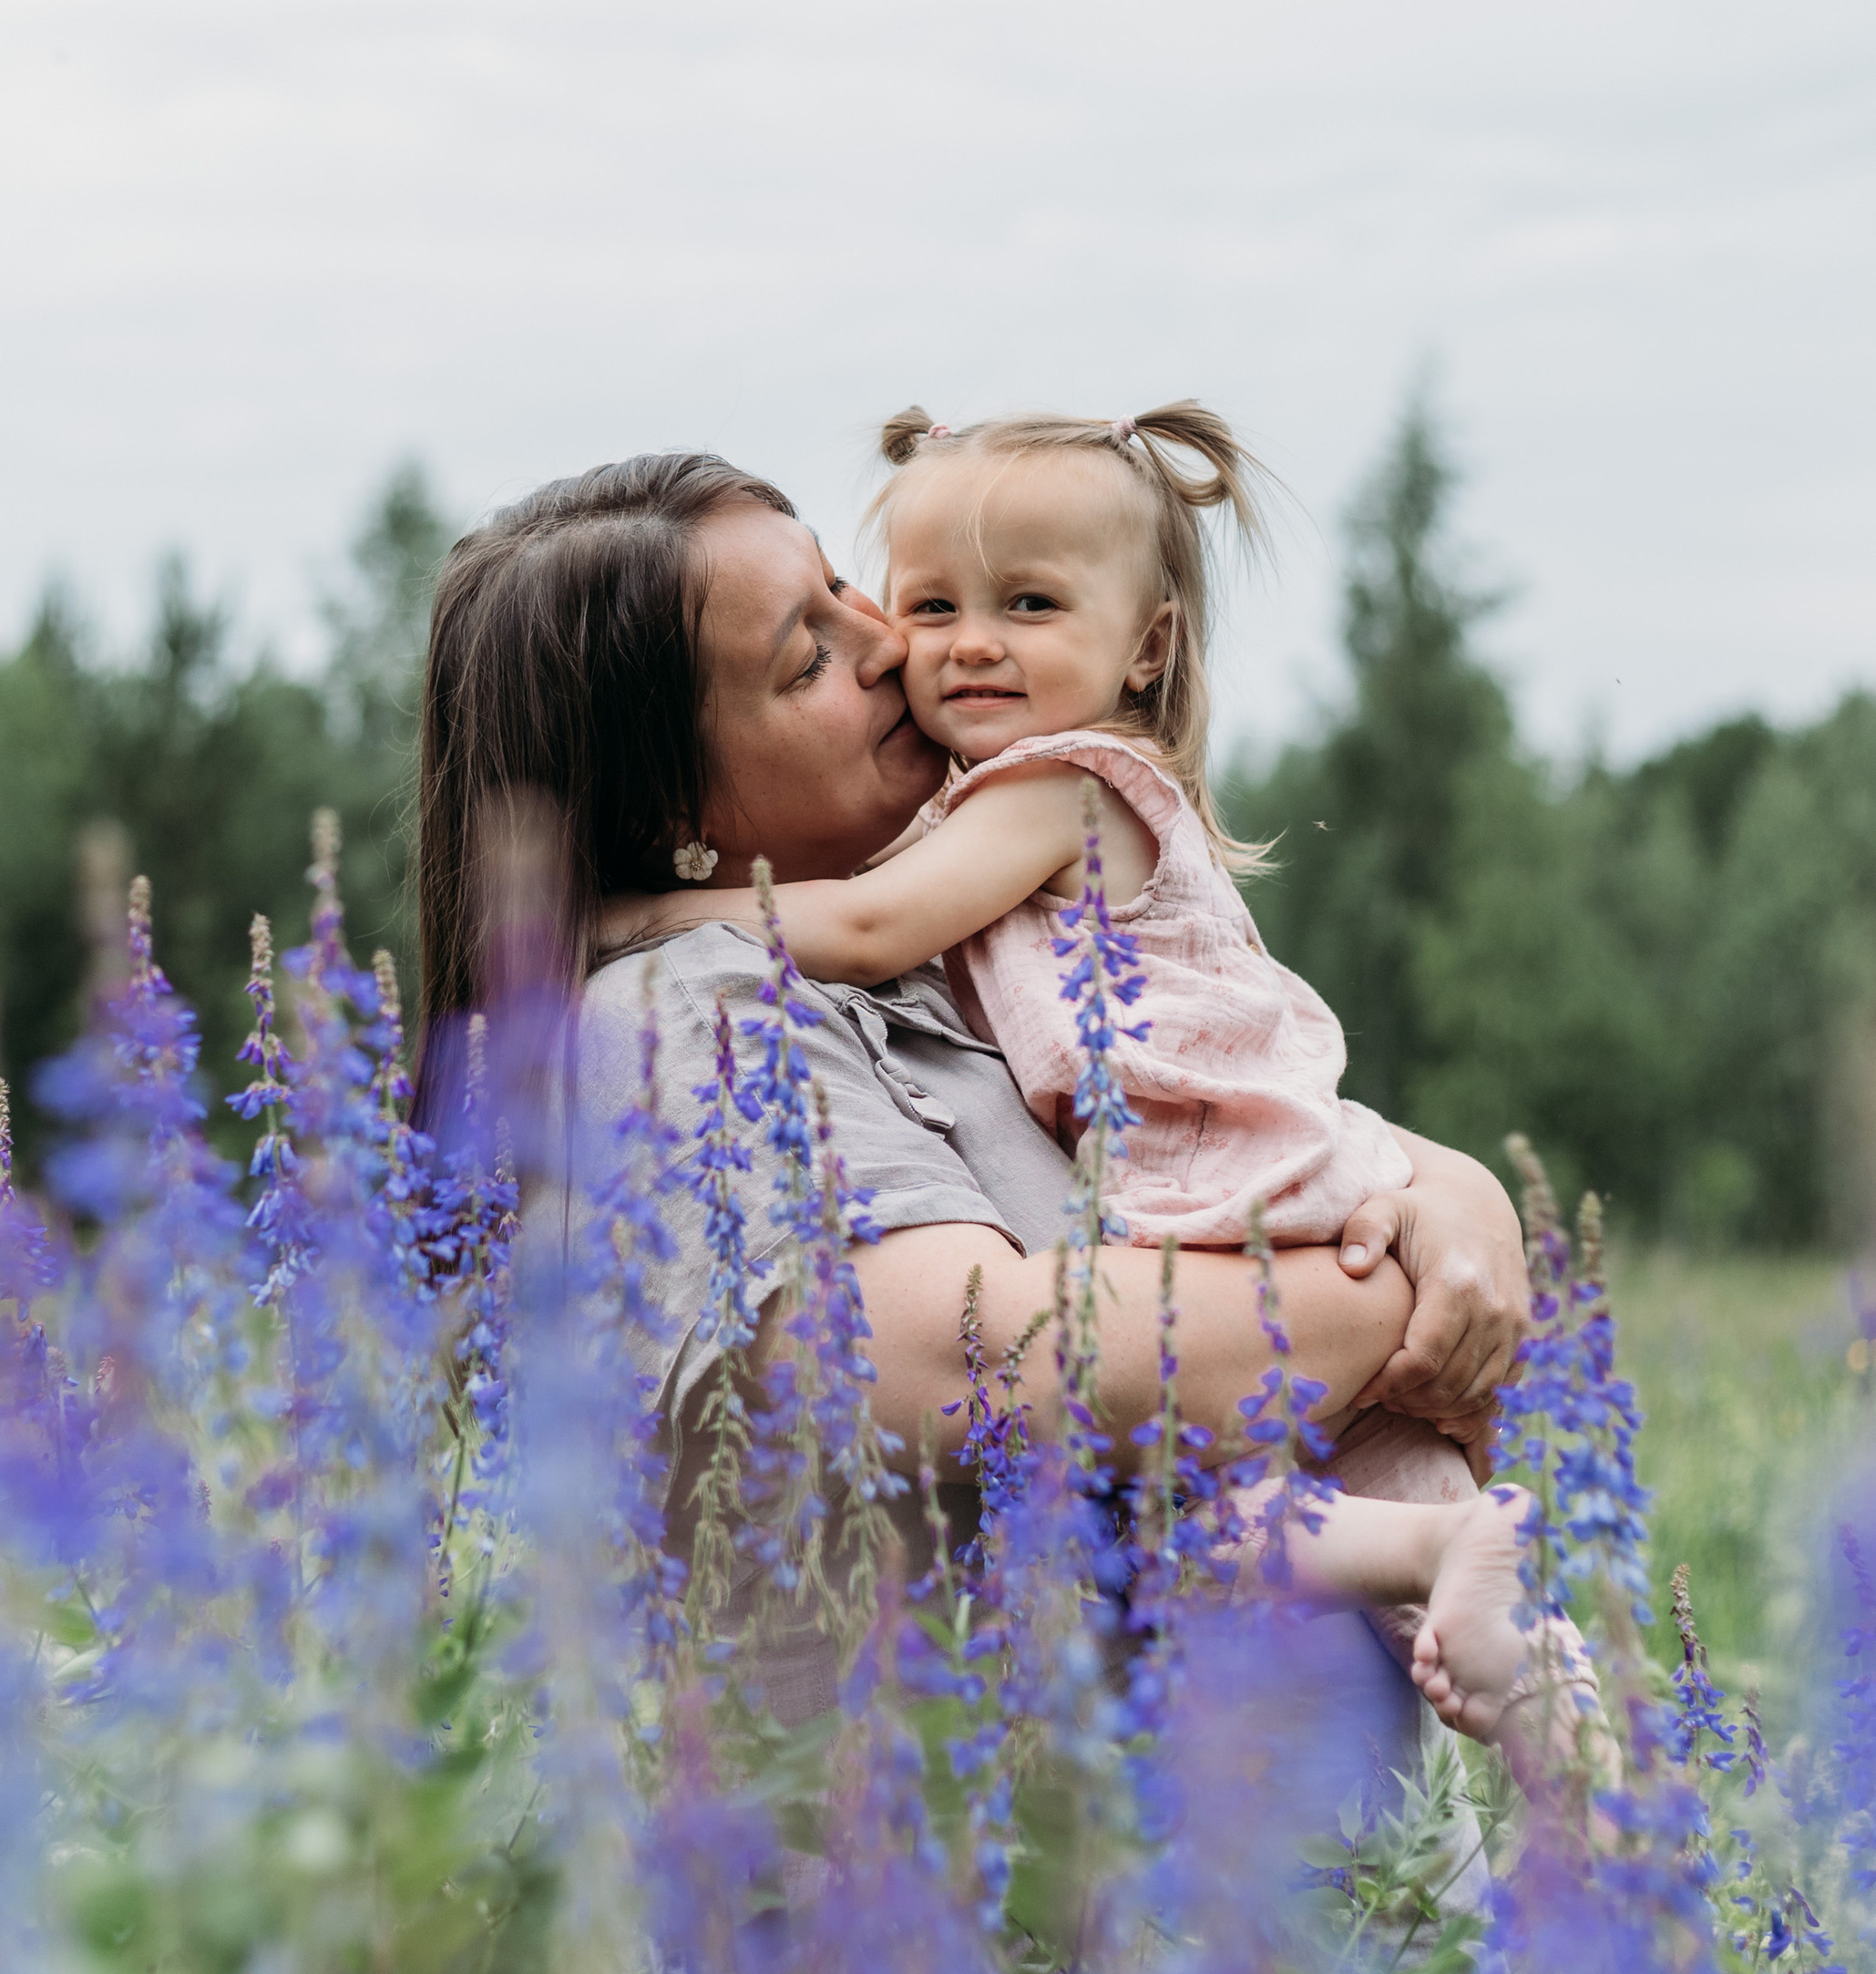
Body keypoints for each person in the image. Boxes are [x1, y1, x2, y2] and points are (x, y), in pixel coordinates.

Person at [415, 447, 1558, 1764]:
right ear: (673, 805)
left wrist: (1457, 1195)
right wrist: (1395, 1289)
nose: (891, 644)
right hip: (971, 1843)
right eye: (808, 656)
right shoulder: (681, 1013)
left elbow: (1221, 1109)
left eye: (847, 587)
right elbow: (986, 1356)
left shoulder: (947, 928)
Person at [632, 401, 1416, 1259]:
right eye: (933, 606)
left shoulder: (1065, 787)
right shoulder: (992, 803)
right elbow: (863, 878)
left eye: (1031, 604)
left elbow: (867, 927)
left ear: (1148, 648)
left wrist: (641, 915)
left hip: (1221, 1175)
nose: (972, 643)